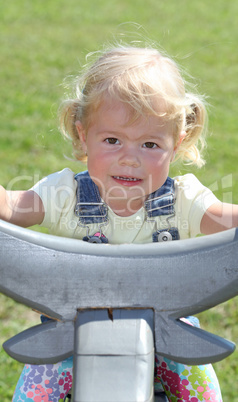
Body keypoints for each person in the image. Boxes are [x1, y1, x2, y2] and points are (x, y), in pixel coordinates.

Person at [0, 44, 237, 402]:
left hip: (169, 330)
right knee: (36, 388)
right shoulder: (65, 194)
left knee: (200, 387)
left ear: (178, 142)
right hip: (70, 330)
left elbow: (226, 220)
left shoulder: (183, 201)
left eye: (150, 144)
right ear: (83, 135)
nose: (130, 159)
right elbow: (13, 207)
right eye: (112, 140)